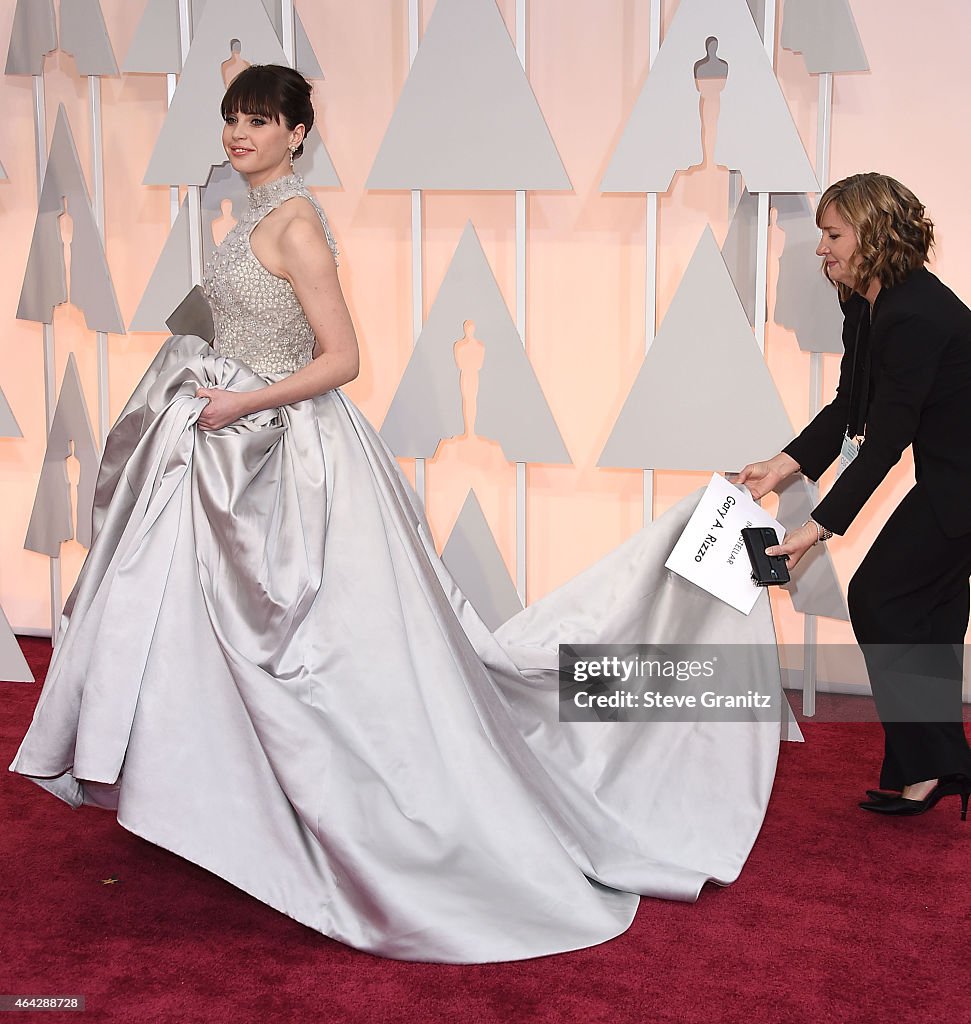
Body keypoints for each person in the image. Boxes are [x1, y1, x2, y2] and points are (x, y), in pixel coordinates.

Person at [10, 65, 784, 963]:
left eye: (260, 121)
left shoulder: (296, 224)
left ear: (299, 134)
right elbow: (241, 325)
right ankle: (221, 798)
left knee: (318, 652)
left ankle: (331, 815)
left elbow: (341, 360)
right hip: (227, 454)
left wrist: (240, 404)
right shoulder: (252, 215)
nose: (239, 134)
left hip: (282, 453)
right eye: (232, 119)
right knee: (204, 630)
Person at [736, 172, 971, 820]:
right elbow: (851, 405)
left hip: (959, 484)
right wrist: (779, 468)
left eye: (832, 234)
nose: (821, 249)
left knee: (879, 598)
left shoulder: (915, 312)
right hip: (951, 476)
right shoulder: (869, 302)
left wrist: (816, 528)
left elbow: (884, 441)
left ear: (872, 234)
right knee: (927, 623)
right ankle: (926, 771)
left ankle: (939, 762)